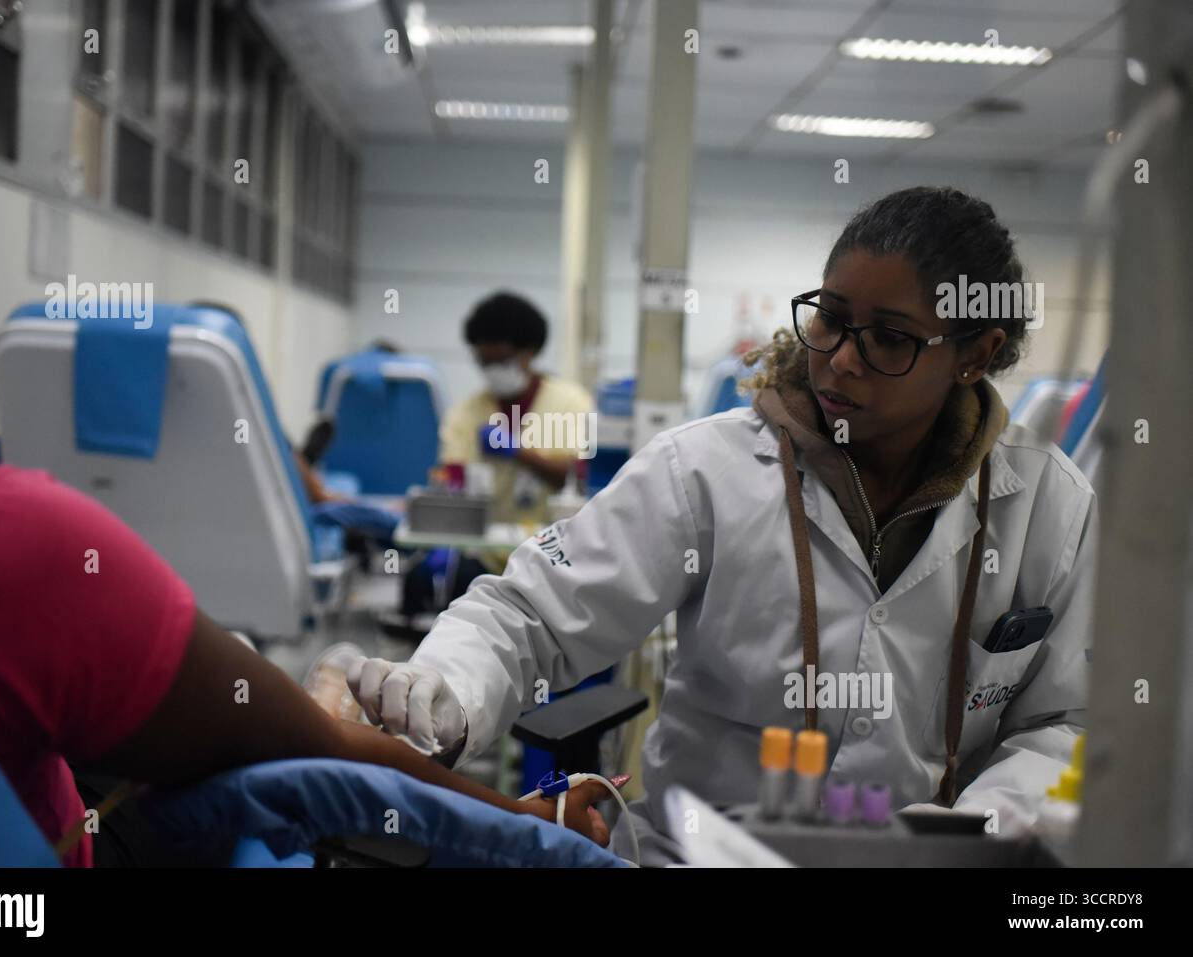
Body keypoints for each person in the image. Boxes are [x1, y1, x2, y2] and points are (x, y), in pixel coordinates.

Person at [0, 59, 610, 865]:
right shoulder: (10, 548)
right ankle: (330, 684)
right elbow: (332, 763)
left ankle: (330, 684)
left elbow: (567, 481)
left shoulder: (566, 400)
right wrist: (534, 826)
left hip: (504, 554)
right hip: (139, 798)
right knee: (329, 694)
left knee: (336, 678)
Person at [349, 187, 1097, 863]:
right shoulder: (706, 471)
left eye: (890, 338)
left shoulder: (1047, 505)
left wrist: (979, 832)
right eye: (832, 318)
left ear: (975, 354)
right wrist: (444, 690)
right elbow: (534, 615)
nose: (842, 360)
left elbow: (1067, 718)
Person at [399, 293, 594, 621]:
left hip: (552, 556)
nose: (492, 371)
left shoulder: (571, 404)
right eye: (484, 362)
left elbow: (581, 476)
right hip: (483, 555)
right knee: (434, 589)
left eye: (501, 361)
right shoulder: (468, 413)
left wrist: (521, 453)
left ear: (530, 352)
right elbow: (450, 480)